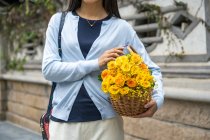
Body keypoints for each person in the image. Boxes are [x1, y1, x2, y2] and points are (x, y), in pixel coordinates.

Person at [42, 0, 164, 140]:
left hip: (107, 125)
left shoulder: (121, 28)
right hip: (63, 126)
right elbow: (49, 69)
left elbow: (151, 69)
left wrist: (157, 99)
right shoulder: (58, 22)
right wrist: (95, 63)